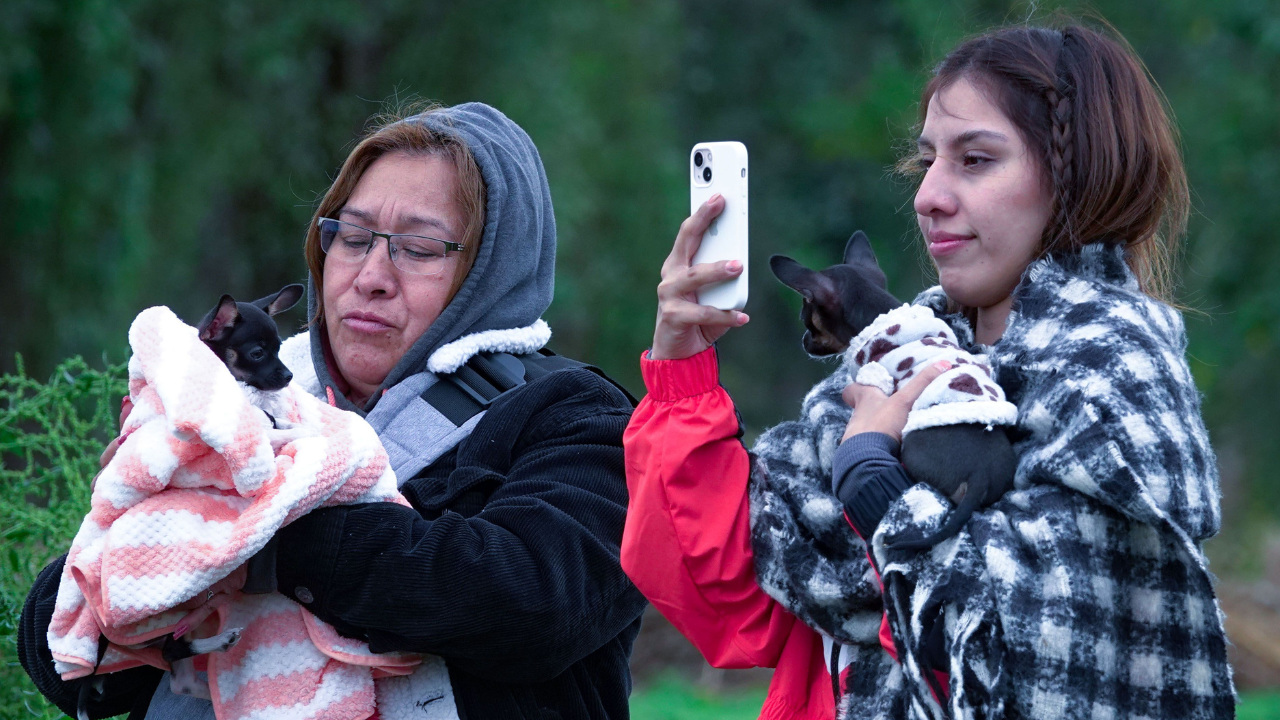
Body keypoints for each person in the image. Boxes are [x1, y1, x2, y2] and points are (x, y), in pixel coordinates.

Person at [622, 23, 1234, 720]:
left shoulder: (1113, 375)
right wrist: (682, 371)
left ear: (1078, 176)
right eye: (927, 164)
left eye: (975, 160)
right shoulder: (898, 357)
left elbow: (1028, 653)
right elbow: (734, 600)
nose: (928, 196)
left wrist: (870, 476)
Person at [20, 103, 647, 719]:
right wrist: (137, 516)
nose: (370, 275)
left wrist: (252, 537)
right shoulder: (216, 408)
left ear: (494, 272)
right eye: (351, 236)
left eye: (420, 248)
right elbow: (66, 665)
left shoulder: (585, 418)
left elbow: (532, 604)